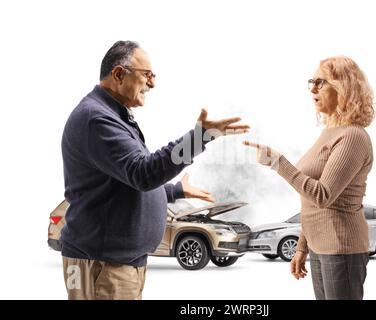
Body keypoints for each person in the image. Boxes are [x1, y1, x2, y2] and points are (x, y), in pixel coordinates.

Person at [61, 40, 249, 300]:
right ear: (118, 74)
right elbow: (143, 173)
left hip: (116, 262)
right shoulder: (97, 119)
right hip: (103, 262)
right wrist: (199, 138)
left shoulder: (111, 115)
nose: (152, 84)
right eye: (146, 75)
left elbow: (122, 179)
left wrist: (173, 191)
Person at [244, 56, 375, 300]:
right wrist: (302, 247)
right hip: (320, 247)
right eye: (311, 82)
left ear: (343, 88)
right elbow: (310, 201)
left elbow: (322, 195)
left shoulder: (353, 137)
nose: (312, 88)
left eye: (321, 82)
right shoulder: (330, 132)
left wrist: (277, 163)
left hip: (341, 247)